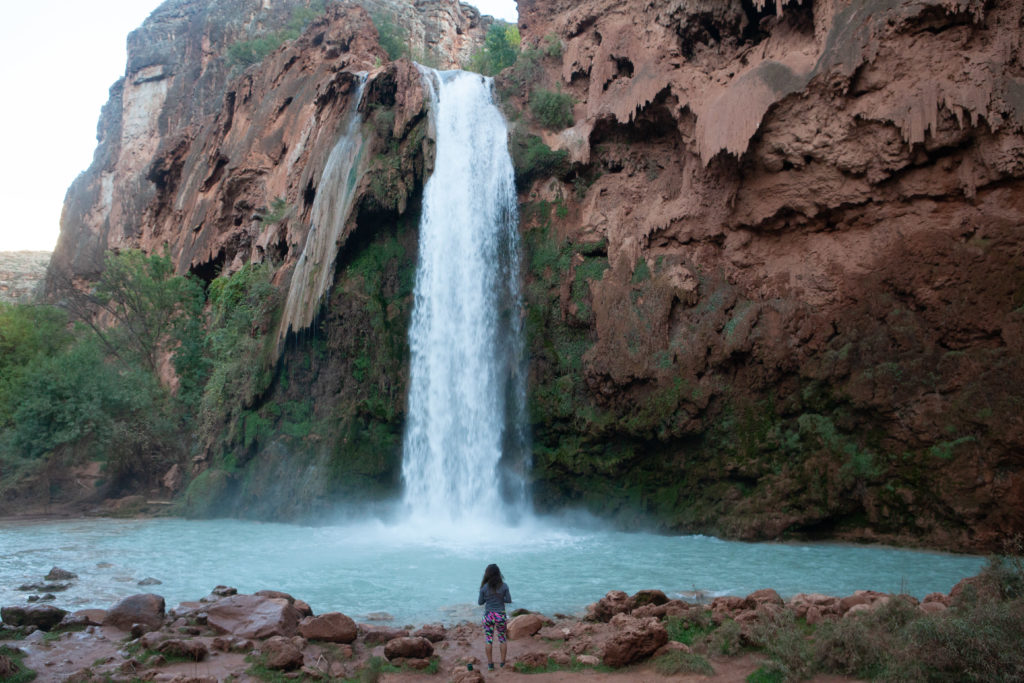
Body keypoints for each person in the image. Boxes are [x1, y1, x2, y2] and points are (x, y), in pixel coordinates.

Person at [478, 563, 512, 670]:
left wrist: (488, 599)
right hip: (500, 615)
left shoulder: (484, 587)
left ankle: (490, 664)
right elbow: (509, 600)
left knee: (489, 639)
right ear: (498, 573)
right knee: (502, 639)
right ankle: (502, 663)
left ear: (487, 574)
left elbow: (480, 602)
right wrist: (500, 599)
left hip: (488, 616)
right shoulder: (504, 586)